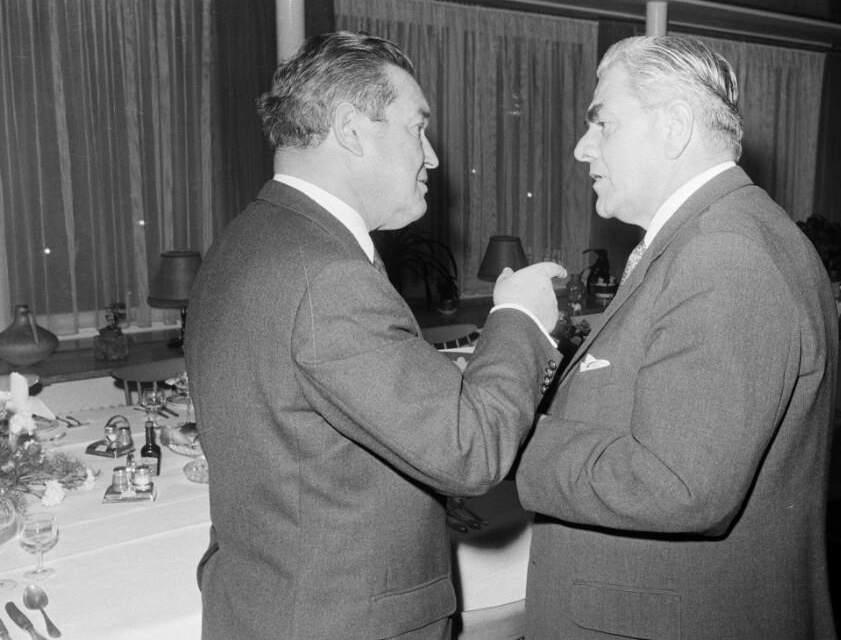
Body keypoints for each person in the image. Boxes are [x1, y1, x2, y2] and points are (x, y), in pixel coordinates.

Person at [184, 31, 565, 640]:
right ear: (352, 129)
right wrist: (519, 317)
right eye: (418, 128)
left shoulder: (245, 242)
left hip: (270, 600)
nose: (431, 157)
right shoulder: (329, 274)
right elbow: (470, 451)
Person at [515, 35, 839, 639]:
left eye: (602, 122)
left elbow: (678, 485)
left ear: (675, 126)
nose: (583, 147)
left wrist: (506, 437)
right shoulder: (715, 236)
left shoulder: (725, 255)